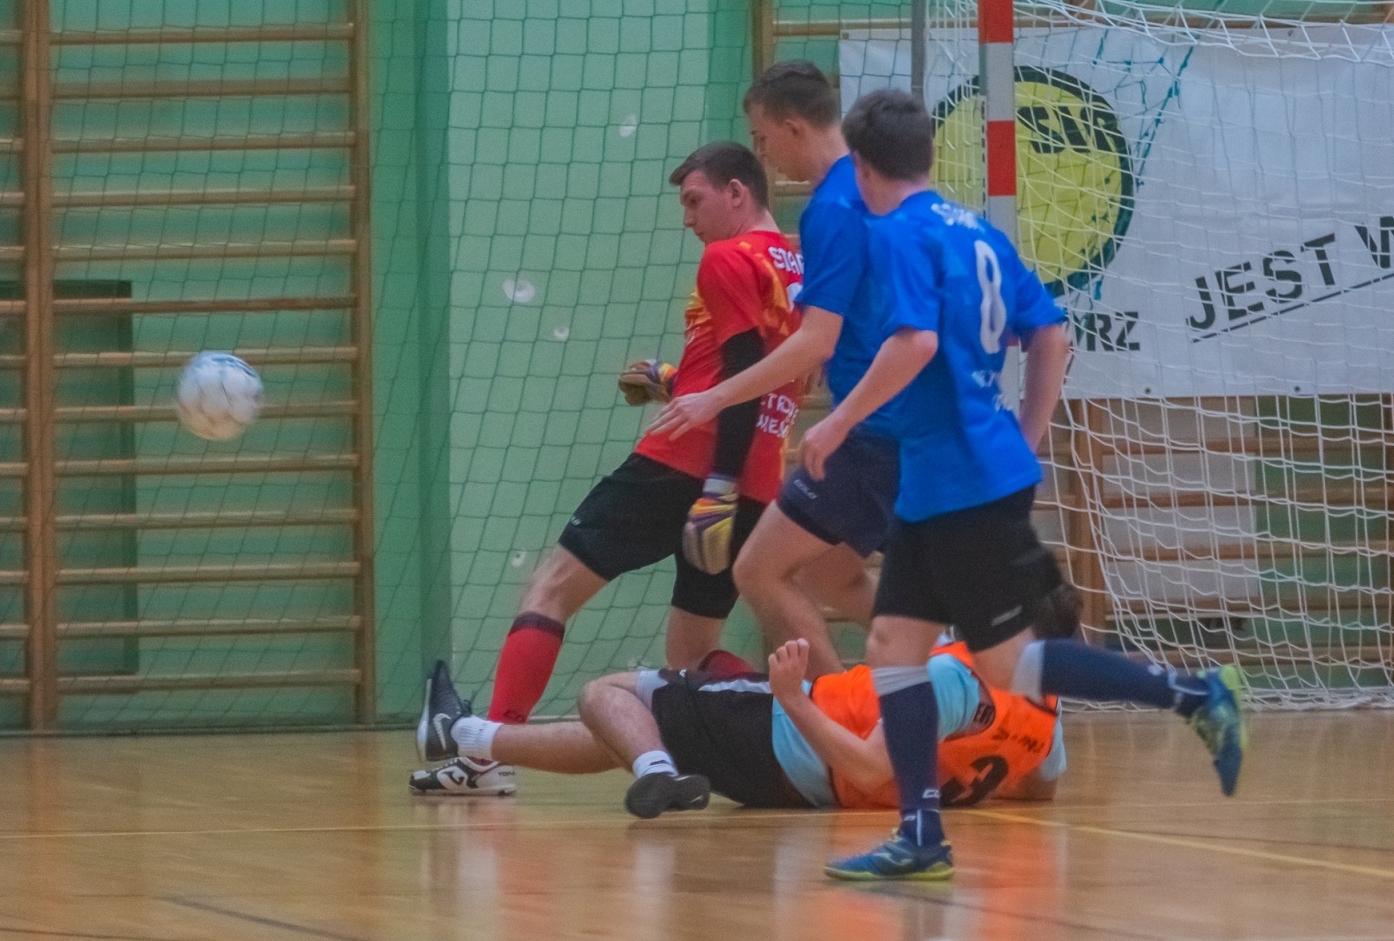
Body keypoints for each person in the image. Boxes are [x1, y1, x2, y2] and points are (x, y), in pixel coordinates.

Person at [812, 90, 1249, 881]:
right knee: (892, 647)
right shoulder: (977, 230)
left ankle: (1194, 694)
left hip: (963, 485)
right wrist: (1027, 437)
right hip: (942, 480)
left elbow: (913, 344)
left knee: (1009, 666)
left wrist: (836, 423)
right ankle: (920, 833)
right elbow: (1051, 333)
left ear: (864, 167)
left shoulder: (898, 231)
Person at [412, 141, 804, 796]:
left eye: (695, 200)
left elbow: (740, 372)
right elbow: (763, 372)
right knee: (691, 660)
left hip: (686, 462)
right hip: (758, 476)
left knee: (551, 588)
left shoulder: (726, 257)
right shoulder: (795, 266)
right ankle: (799, 725)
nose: (688, 218)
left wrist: (715, 484)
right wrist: (673, 380)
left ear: (738, 192)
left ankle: (485, 757)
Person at [415, 583, 1082, 816]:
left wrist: (793, 699)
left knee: (607, 692)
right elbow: (1036, 791)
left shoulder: (953, 679)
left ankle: (655, 771)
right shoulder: (1045, 717)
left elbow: (869, 767)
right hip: (799, 790)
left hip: (783, 734)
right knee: (639, 729)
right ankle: (463, 736)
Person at [650, 62, 895, 679]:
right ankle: (950, 666)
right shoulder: (873, 188)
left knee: (759, 569)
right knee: (831, 573)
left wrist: (711, 398)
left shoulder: (830, 206)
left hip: (876, 425)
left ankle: (843, 714)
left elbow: (814, 341)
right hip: (897, 415)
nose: (763, 154)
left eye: (762, 138)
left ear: (791, 128)